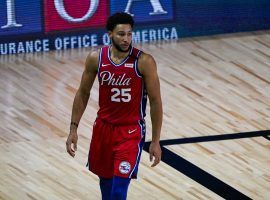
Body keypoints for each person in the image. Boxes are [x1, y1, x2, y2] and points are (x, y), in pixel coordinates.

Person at [66, 12, 163, 200]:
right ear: (110, 34)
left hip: (130, 131)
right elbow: (82, 93)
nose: (126, 39)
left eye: (129, 34)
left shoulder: (144, 62)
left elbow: (156, 101)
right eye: (121, 34)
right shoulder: (96, 58)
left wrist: (156, 141)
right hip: (103, 129)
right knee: (106, 186)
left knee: (119, 191)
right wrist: (73, 129)